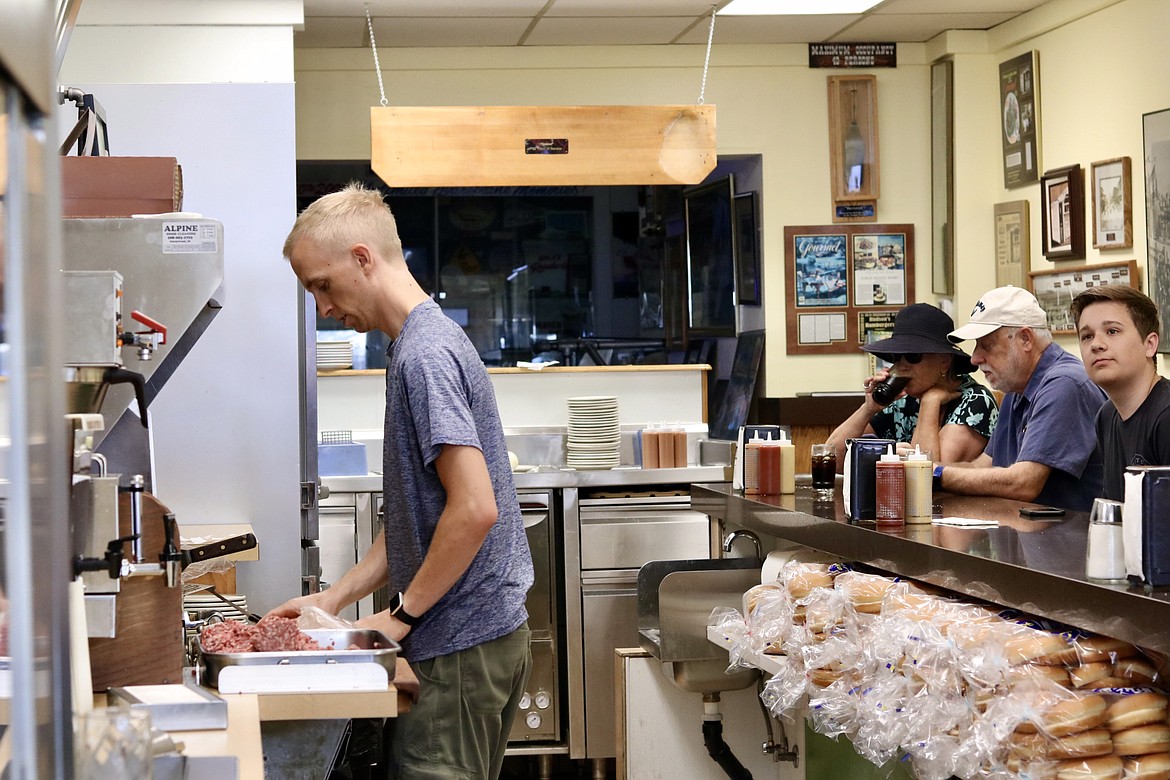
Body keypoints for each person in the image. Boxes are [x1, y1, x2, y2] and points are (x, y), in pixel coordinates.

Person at [270, 183, 534, 780]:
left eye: (322, 285)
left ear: (363, 258)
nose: (322, 308)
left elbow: (474, 510)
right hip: (464, 637)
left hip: (459, 641)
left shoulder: (424, 356)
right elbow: (417, 524)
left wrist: (400, 617)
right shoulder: (415, 345)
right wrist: (332, 601)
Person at [940, 285, 1107, 511]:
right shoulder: (1016, 388)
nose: (975, 358)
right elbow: (983, 466)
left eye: (986, 345)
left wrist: (935, 475)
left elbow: (1024, 483)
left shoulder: (1064, 384)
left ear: (1026, 339)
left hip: (1071, 543)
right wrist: (916, 467)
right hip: (1034, 539)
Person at [826, 303, 998, 471]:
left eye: (912, 356)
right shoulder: (903, 400)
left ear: (944, 362)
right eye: (897, 356)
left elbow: (929, 475)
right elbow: (832, 459)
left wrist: (930, 402)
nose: (902, 366)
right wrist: (868, 409)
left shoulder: (976, 401)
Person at [1071, 285, 1170, 501]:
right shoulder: (1106, 417)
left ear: (1150, 344)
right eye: (1087, 336)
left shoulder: (1165, 416)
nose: (1096, 344)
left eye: (1112, 331)